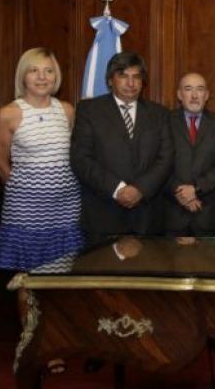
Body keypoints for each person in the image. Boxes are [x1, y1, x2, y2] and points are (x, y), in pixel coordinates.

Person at [0, 47, 84, 375]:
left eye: (48, 71)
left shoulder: (67, 111)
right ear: (23, 76)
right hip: (26, 213)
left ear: (56, 76)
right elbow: (0, 162)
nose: (42, 77)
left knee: (59, 283)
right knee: (29, 283)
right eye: (34, 71)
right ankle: (35, 346)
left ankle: (57, 342)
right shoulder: (8, 115)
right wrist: (28, 191)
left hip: (65, 210)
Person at [71, 51, 173, 244]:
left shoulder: (160, 114)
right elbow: (81, 158)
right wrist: (117, 189)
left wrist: (139, 189)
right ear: (110, 80)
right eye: (123, 76)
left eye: (136, 77)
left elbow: (166, 158)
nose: (131, 83)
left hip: (148, 216)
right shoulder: (89, 110)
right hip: (103, 214)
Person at [165, 72, 215, 236]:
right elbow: (159, 162)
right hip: (172, 212)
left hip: (208, 213)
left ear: (207, 95)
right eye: (188, 89)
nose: (195, 95)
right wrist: (181, 193)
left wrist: (195, 189)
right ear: (179, 95)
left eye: (200, 89)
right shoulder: (165, 121)